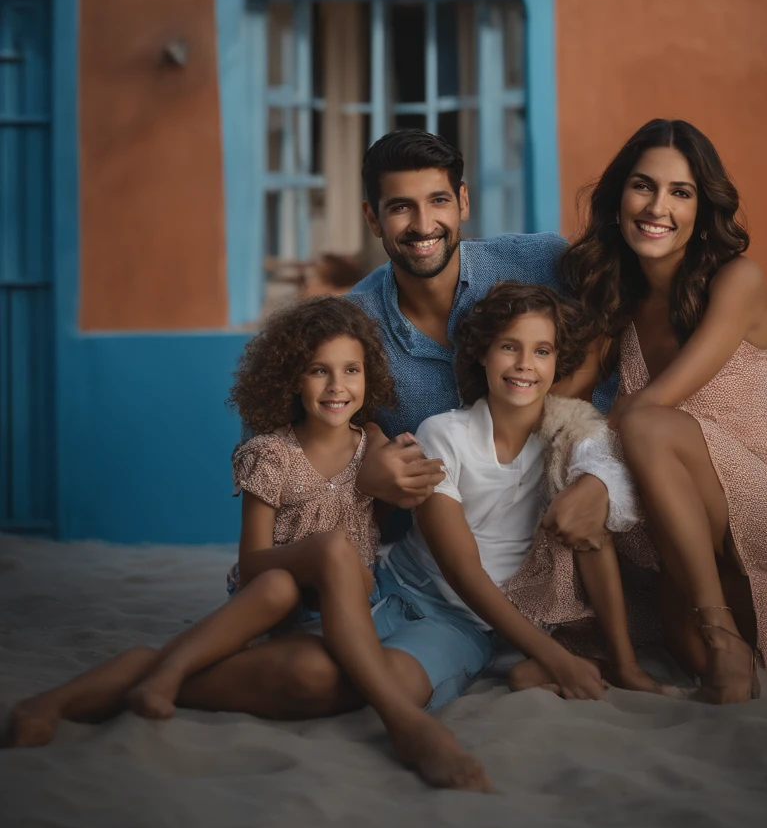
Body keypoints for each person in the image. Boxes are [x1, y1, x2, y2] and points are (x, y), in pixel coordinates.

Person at [7, 297, 490, 791]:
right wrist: (327, 552)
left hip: (351, 605)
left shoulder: (372, 442)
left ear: (369, 378)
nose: (337, 385)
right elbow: (251, 563)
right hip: (275, 599)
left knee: (340, 572)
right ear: (290, 378)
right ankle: (403, 723)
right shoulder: (270, 454)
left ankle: (156, 673)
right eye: (318, 371)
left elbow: (382, 512)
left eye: (351, 370)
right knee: (305, 567)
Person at [558, 118, 767, 702]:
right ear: (617, 199)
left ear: (702, 209)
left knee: (641, 420)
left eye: (680, 192)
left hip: (760, 505)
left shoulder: (737, 279)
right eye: (643, 186)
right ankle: (723, 633)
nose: (658, 207)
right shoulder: (620, 303)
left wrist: (600, 481)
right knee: (683, 654)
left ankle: (721, 631)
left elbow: (653, 404)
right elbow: (560, 404)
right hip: (680, 531)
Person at [382, 282, 667, 701]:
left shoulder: (571, 435)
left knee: (389, 683)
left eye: (541, 351)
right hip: (399, 586)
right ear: (482, 353)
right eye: (508, 347)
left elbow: (599, 521)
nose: (524, 365)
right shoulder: (443, 434)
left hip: (480, 622)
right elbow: (462, 569)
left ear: (557, 362)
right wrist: (556, 659)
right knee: (312, 661)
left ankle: (609, 665)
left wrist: (620, 664)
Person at [348, 129, 617, 548]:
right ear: (372, 218)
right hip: (436, 559)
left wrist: (600, 475)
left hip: (566, 522)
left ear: (464, 201)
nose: (423, 225)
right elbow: (293, 441)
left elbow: (620, 343)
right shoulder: (353, 323)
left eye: (438, 200)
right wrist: (364, 466)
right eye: (401, 207)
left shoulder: (543, 262)